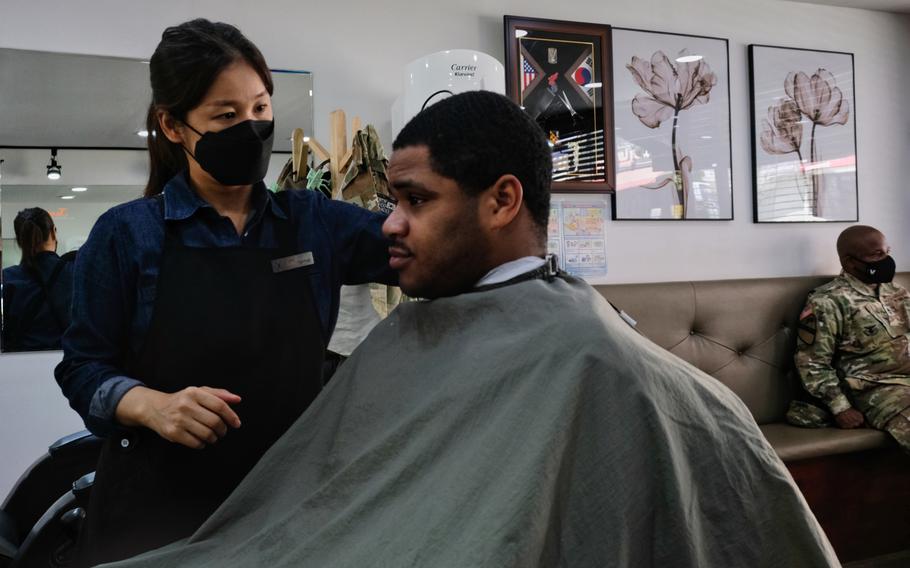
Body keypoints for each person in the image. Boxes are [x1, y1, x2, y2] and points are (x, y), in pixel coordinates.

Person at [102, 91, 837, 568]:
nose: (387, 223)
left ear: (501, 201)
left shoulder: (601, 362)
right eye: (390, 199)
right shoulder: (417, 331)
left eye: (414, 200)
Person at [53, 19, 395, 566]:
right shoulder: (127, 234)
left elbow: (422, 254)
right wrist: (151, 405)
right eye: (226, 116)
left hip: (285, 512)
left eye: (260, 108)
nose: (252, 127)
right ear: (172, 125)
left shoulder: (314, 223)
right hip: (157, 518)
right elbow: (81, 368)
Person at [794, 225, 910, 451]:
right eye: (877, 255)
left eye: (887, 252)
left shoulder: (897, 292)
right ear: (849, 262)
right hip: (875, 389)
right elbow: (812, 362)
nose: (886, 260)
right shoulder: (827, 301)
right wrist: (840, 408)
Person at [1, 207, 75, 351]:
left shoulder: (7, 279)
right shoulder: (75, 274)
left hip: (16, 367)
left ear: (19, 240)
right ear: (53, 232)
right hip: (69, 364)